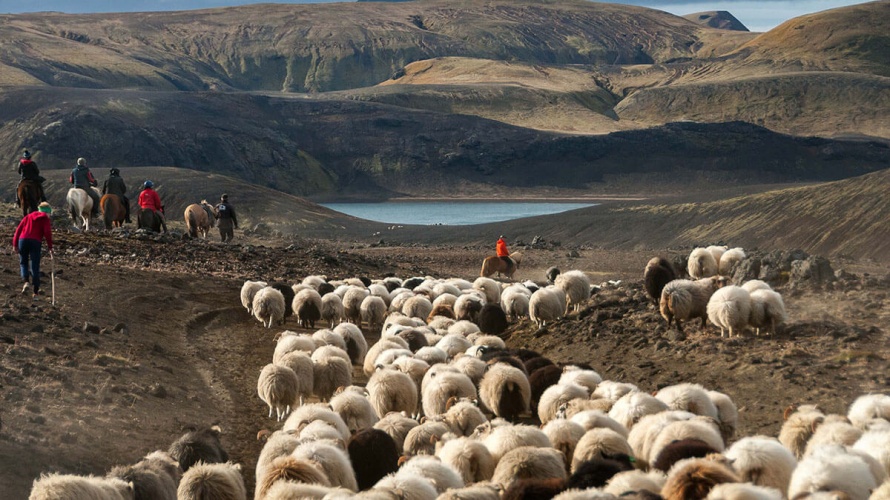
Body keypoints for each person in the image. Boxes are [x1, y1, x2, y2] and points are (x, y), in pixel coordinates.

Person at [13, 202, 54, 299]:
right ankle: (35, 292)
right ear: (47, 212)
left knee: (23, 262)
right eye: (50, 214)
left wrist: (15, 244)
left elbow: (18, 230)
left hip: (22, 240)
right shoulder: (45, 219)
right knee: (35, 264)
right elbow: (47, 233)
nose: (49, 216)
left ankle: (26, 281)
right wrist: (50, 247)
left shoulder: (28, 216)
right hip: (35, 242)